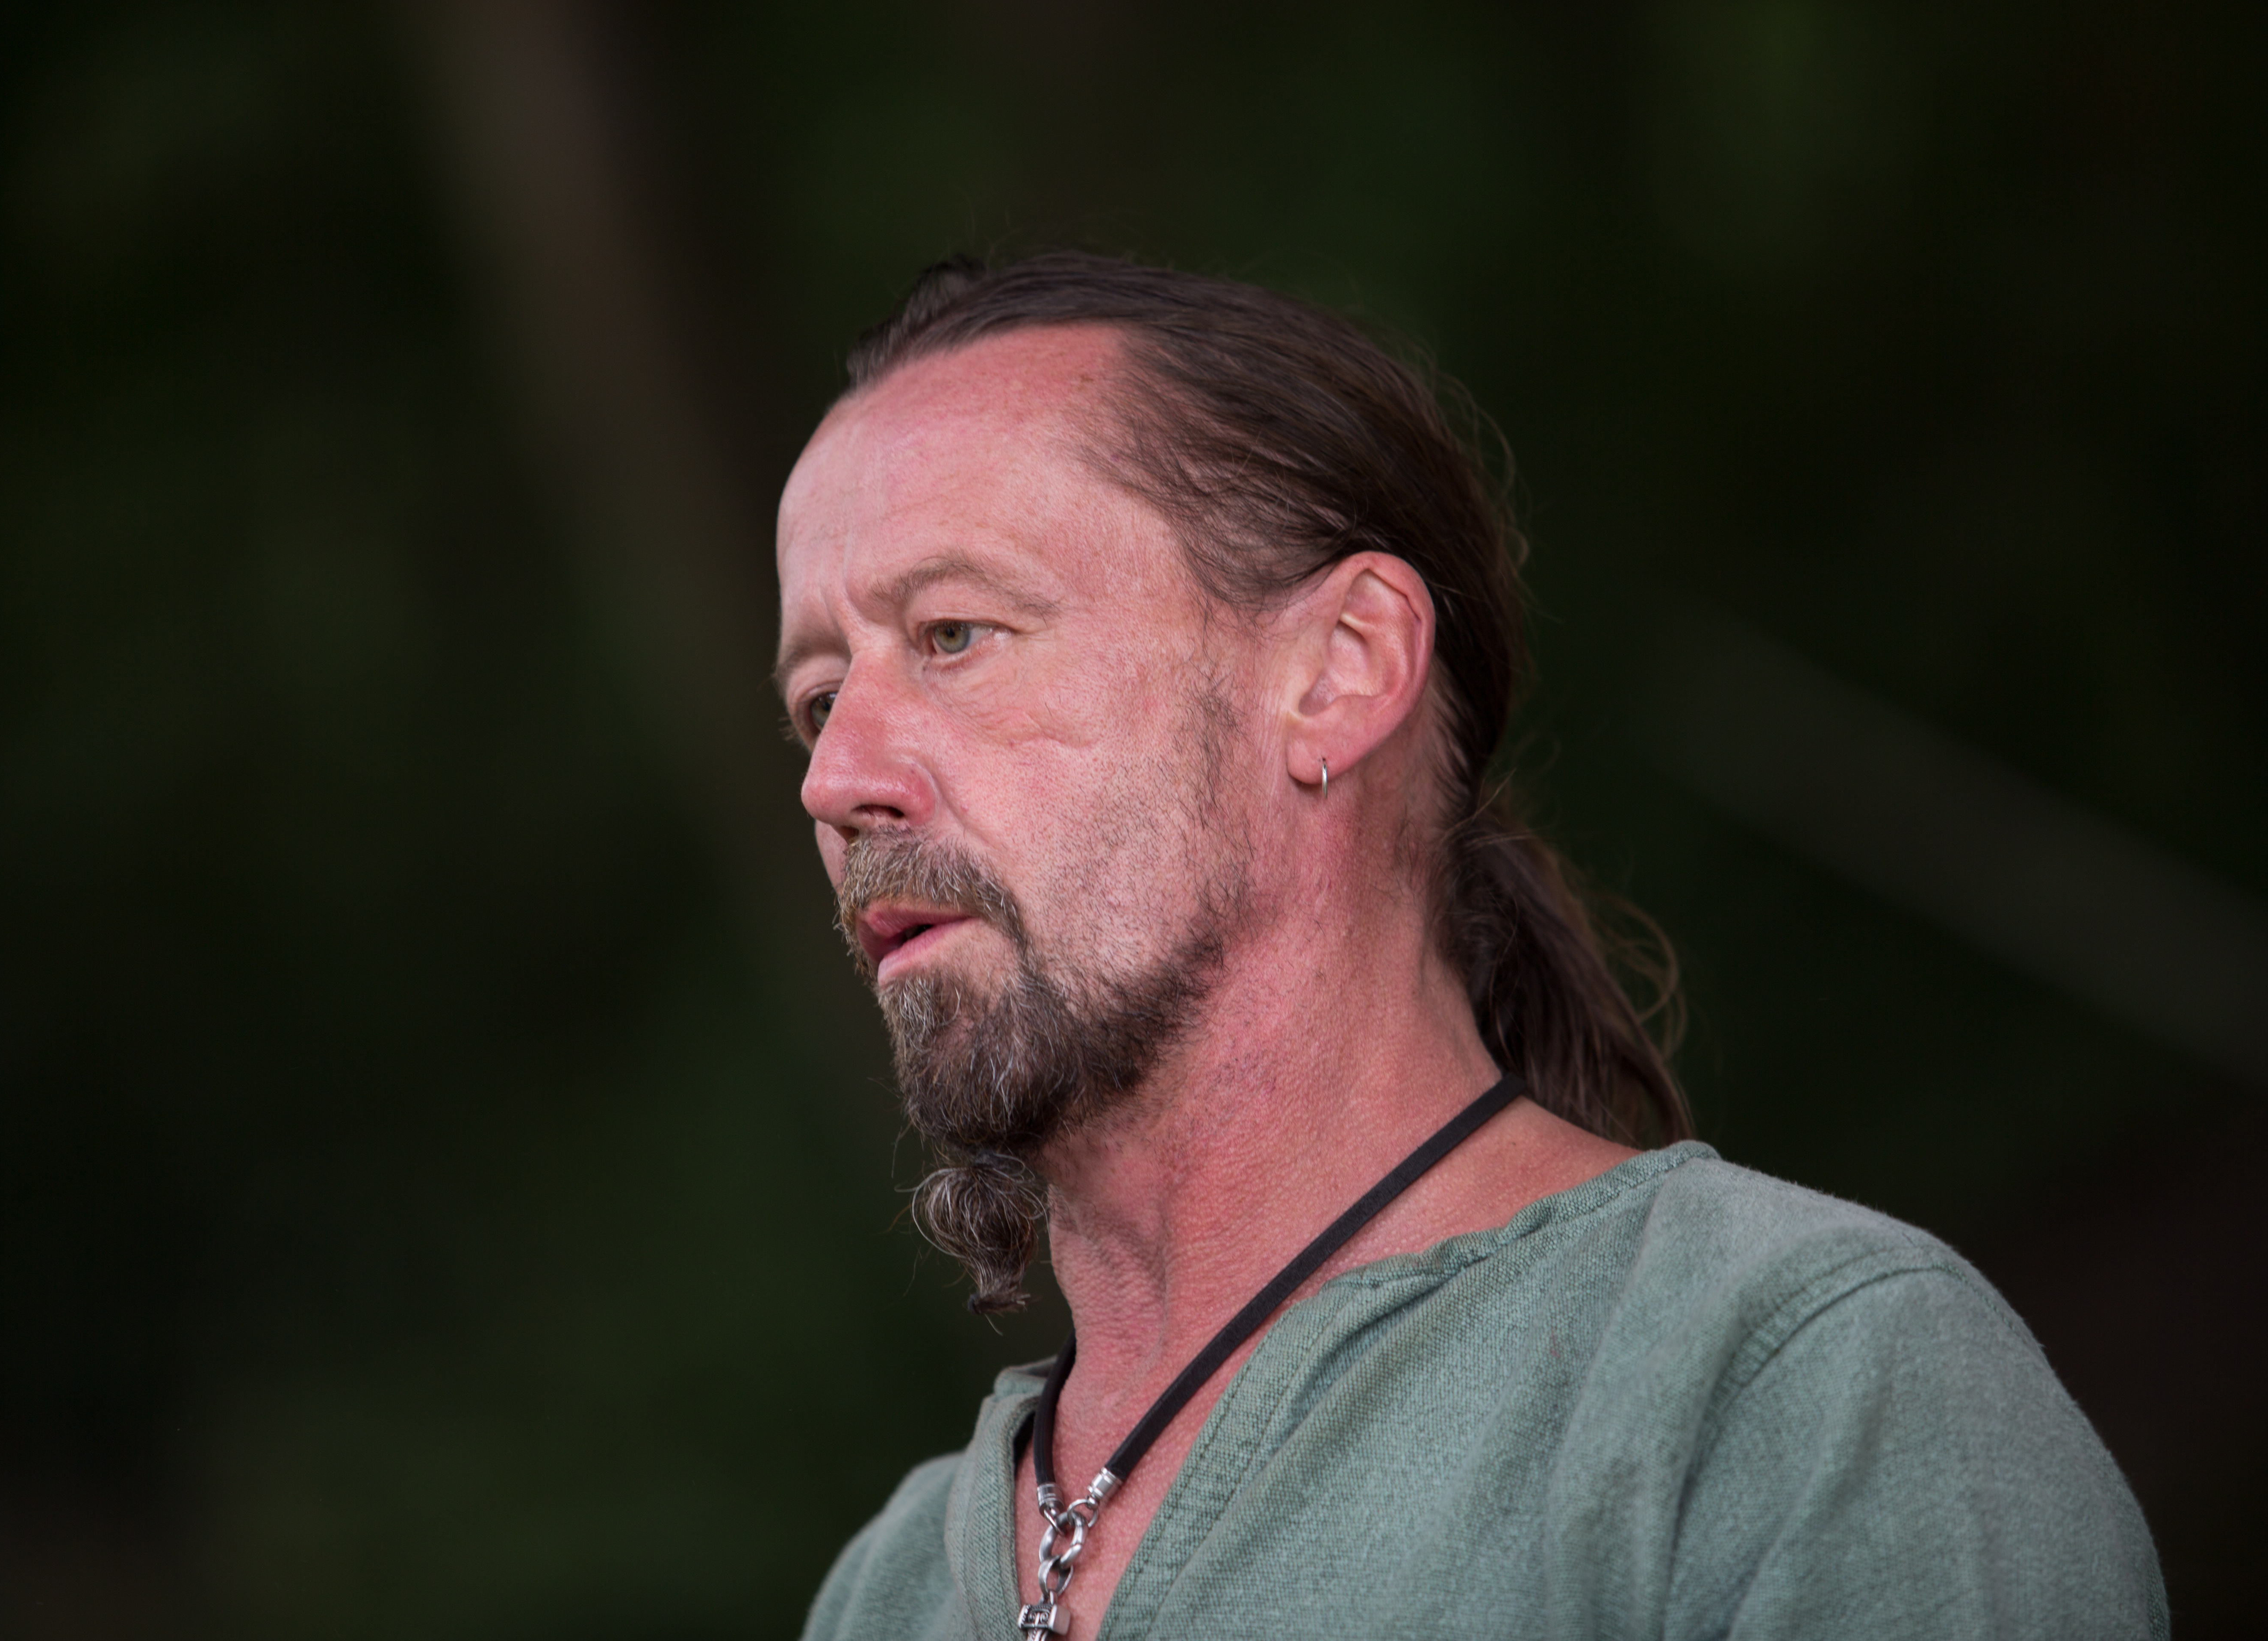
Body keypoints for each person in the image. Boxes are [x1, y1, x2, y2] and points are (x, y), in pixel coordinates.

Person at [772, 253, 2164, 1641]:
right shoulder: (884, 1598)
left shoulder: (1798, 1387)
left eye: (954, 635)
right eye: (819, 698)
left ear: (1340, 669)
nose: (835, 780)